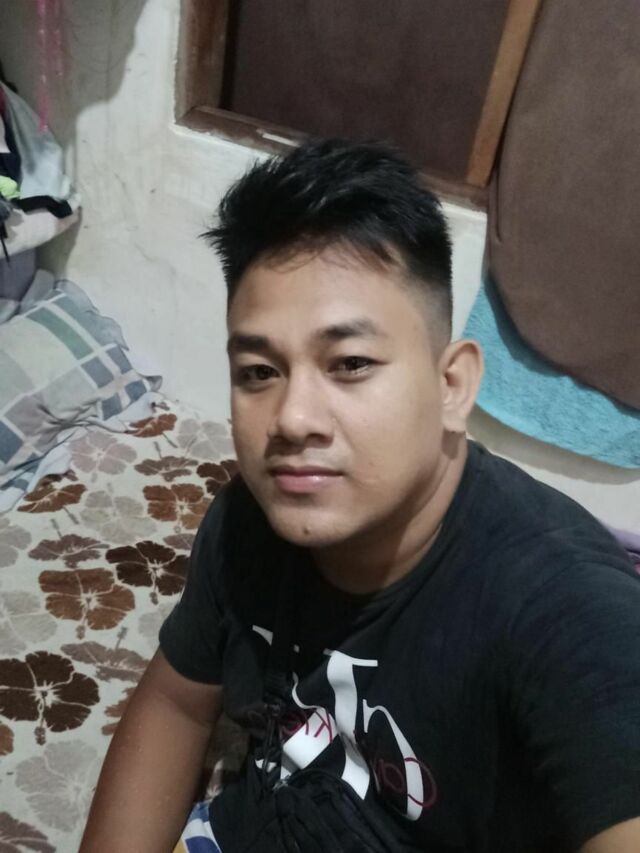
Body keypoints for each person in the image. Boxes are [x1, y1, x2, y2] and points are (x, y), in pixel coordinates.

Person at [80, 139, 640, 853]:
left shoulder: (567, 611)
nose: (291, 419)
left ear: (452, 386)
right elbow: (177, 702)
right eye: (259, 372)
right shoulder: (248, 519)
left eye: (349, 363)